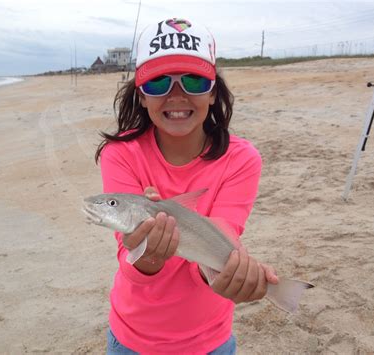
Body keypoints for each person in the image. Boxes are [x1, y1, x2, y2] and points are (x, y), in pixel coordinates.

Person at [95, 17, 278, 354]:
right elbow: (130, 260)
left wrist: (234, 275)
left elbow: (222, 233)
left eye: (193, 82)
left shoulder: (241, 159)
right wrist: (149, 256)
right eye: (158, 83)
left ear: (212, 93)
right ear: (141, 95)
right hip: (132, 338)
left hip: (211, 340)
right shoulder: (120, 153)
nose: (176, 96)